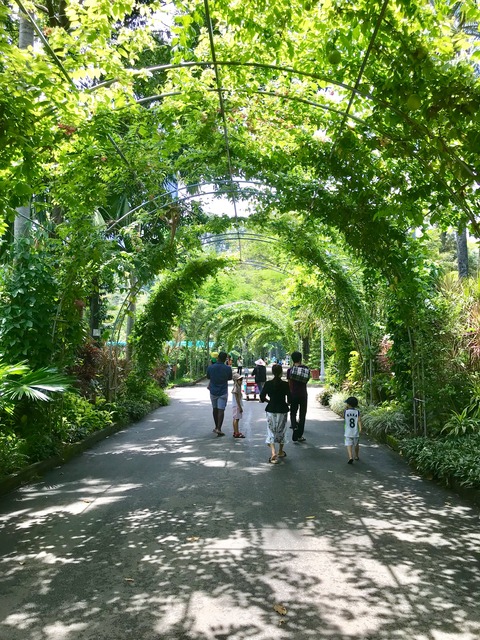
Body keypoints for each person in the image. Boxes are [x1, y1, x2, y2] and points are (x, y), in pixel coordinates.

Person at [259, 364, 292, 464]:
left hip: (271, 409)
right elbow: (290, 399)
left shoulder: (268, 384)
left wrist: (268, 401)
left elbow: (261, 396)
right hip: (282, 409)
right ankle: (281, 451)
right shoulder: (285, 384)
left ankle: (273, 453)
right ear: (281, 372)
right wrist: (287, 403)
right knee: (282, 430)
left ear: (272, 372)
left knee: (271, 430)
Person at [206, 351, 232, 436]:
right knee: (221, 410)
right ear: (225, 359)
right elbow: (230, 378)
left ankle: (216, 426)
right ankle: (219, 428)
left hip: (213, 391)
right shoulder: (228, 368)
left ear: (218, 358)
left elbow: (208, 377)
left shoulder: (210, 367)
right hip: (223, 391)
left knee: (215, 409)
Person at [287, 351, 311, 442]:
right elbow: (306, 380)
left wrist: (288, 396)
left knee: (293, 413)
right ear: (300, 359)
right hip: (303, 394)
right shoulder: (306, 369)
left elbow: (289, 384)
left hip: (293, 394)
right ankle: (300, 435)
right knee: (302, 414)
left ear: (292, 359)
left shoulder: (290, 370)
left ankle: (294, 428)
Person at [344, 396, 362, 464]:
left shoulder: (346, 412)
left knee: (349, 444)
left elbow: (345, 418)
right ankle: (356, 456)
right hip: (355, 432)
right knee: (356, 444)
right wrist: (360, 428)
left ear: (348, 404)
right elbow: (359, 420)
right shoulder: (357, 412)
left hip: (348, 432)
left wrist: (346, 409)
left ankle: (350, 457)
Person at [231, 372, 245, 438]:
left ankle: (236, 431)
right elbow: (237, 399)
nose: (241, 381)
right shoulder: (236, 388)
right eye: (240, 380)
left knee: (236, 419)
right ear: (236, 381)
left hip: (236, 406)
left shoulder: (237, 387)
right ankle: (237, 432)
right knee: (236, 419)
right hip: (237, 406)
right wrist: (240, 407)